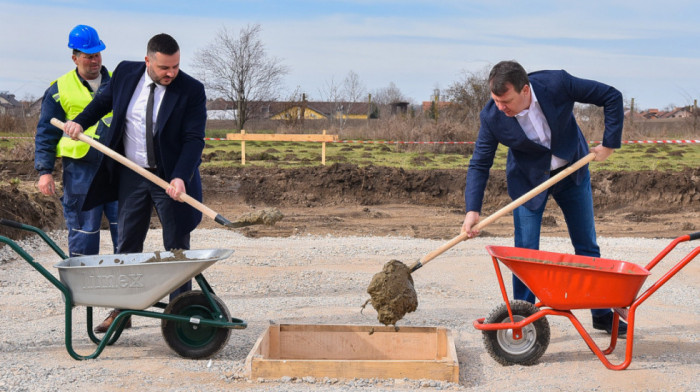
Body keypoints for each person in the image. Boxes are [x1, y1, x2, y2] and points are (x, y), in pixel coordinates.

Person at [461, 60, 627, 336]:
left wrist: (609, 143)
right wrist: (472, 211)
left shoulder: (557, 84)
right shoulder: (492, 116)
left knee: (586, 245)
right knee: (525, 254)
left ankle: (601, 314)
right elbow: (480, 163)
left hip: (572, 171)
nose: (501, 107)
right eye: (496, 100)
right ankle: (523, 321)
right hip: (528, 182)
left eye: (507, 101)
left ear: (525, 90)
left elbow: (611, 96)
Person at [63, 33, 207, 333]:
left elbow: (194, 140)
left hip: (170, 176)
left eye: (176, 66)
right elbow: (103, 103)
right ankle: (122, 311)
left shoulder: (191, 90)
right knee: (127, 242)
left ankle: (177, 316)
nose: (171, 73)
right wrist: (80, 122)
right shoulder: (126, 73)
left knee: (176, 246)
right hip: (132, 173)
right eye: (164, 68)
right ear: (147, 61)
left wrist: (181, 176)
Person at [34, 25, 119, 257]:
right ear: (75, 58)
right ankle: (82, 289)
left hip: (116, 168)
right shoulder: (59, 89)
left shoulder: (119, 85)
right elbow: (46, 132)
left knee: (126, 230)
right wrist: (45, 171)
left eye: (97, 55)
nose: (94, 61)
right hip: (81, 170)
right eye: (88, 56)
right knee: (84, 231)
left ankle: (129, 288)